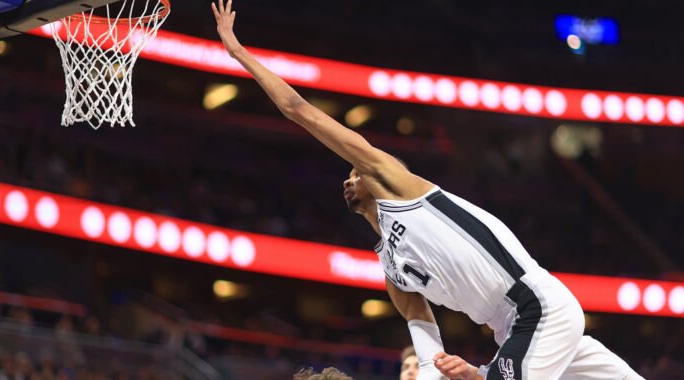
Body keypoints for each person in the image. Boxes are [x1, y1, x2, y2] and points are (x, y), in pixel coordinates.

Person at [211, 2, 643, 379]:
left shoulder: (398, 187)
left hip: (536, 307)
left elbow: (298, 110)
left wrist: (239, 52)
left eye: (354, 170)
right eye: (350, 173)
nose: (349, 176)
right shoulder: (392, 268)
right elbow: (424, 329)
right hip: (512, 330)